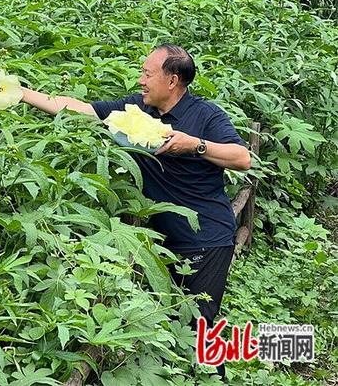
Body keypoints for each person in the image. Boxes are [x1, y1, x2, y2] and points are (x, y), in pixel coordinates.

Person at [20, 44, 251, 379]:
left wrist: (194, 144)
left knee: (196, 329)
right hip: (159, 243)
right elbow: (80, 109)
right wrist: (23, 92)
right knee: (168, 329)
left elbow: (241, 158)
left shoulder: (206, 115)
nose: (141, 80)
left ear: (172, 81)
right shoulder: (136, 110)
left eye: (147, 73)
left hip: (206, 238)